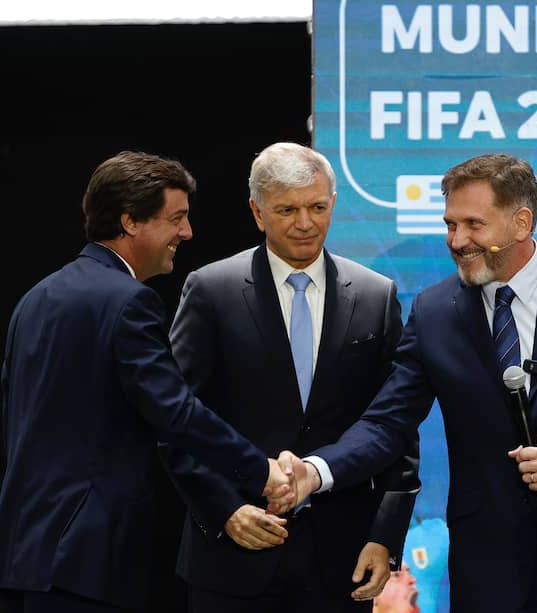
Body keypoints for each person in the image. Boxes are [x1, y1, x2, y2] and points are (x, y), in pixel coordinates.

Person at [276, 152, 537, 612]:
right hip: (488, 566)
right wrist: (315, 471)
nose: (457, 240)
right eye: (450, 225)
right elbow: (386, 423)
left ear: (521, 223)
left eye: (473, 225)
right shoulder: (434, 312)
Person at [0, 151, 295, 613]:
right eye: (176, 218)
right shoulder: (130, 302)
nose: (187, 233)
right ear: (130, 221)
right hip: (83, 558)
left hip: (23, 553)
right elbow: (176, 412)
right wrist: (260, 470)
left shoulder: (36, 298)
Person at [160, 142, 420, 613]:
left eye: (317, 207)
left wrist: (385, 536)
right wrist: (224, 509)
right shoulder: (210, 290)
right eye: (287, 210)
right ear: (257, 212)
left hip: (342, 560)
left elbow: (396, 425)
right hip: (234, 553)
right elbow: (175, 418)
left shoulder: (375, 295)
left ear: (333, 203)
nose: (305, 223)